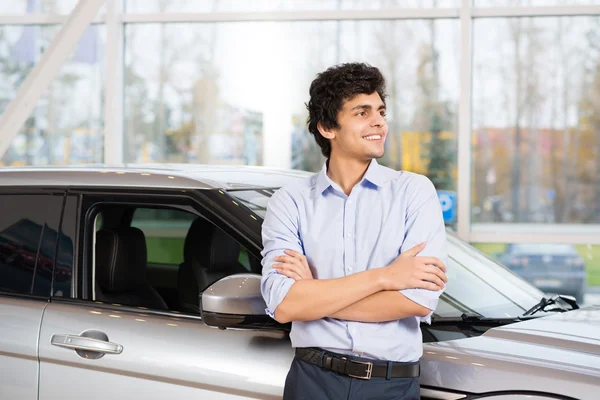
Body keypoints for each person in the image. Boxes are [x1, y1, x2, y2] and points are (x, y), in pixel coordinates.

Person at [260, 62, 449, 400]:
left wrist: (313, 295)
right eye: (362, 113)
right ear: (327, 127)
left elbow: (417, 299)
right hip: (311, 382)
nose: (379, 122)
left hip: (390, 386)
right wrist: (385, 277)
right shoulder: (289, 203)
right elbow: (284, 304)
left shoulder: (414, 192)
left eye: (380, 111)